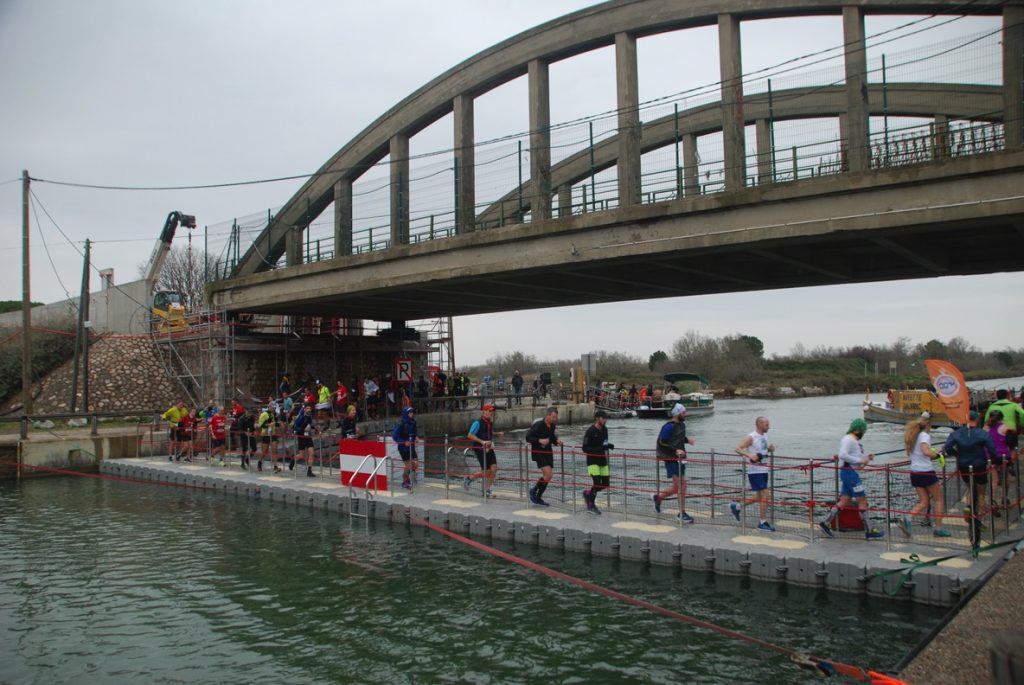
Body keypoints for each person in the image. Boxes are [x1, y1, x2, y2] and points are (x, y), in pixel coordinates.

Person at [818, 419, 884, 540]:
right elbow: (843, 455)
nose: (863, 433)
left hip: (849, 473)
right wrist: (861, 460)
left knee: (844, 501)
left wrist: (866, 458)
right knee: (862, 500)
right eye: (863, 430)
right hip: (850, 474)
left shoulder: (853, 441)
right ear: (858, 429)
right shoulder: (849, 439)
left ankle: (825, 523)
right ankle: (869, 530)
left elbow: (856, 460)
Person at [945, 410, 998, 548]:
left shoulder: (956, 433)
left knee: (969, 487)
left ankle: (969, 507)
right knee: (981, 492)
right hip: (979, 465)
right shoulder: (982, 433)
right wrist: (992, 459)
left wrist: (957, 454)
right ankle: (978, 519)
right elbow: (992, 450)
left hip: (964, 465)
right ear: (978, 418)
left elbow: (947, 447)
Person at [901, 415, 950, 537]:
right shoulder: (924, 436)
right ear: (927, 426)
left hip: (915, 472)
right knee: (938, 499)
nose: (931, 430)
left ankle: (908, 517)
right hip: (926, 472)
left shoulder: (913, 436)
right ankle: (938, 528)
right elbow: (925, 451)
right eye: (931, 427)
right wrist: (937, 454)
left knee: (924, 501)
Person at [729, 416, 776, 531]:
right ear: (759, 424)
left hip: (764, 469)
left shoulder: (764, 435)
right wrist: (750, 456)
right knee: (765, 495)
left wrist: (769, 449)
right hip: (755, 471)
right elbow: (737, 448)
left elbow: (761, 451)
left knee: (759, 496)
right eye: (766, 425)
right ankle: (762, 522)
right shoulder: (751, 437)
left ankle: (737, 506)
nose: (768, 427)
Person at [652, 404, 695, 523]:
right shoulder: (668, 427)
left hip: (680, 458)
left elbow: (678, 437)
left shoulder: (682, 425)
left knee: (677, 487)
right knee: (682, 485)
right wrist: (675, 450)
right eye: (684, 413)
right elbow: (661, 442)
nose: (686, 415)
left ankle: (658, 497)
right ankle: (681, 514)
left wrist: (688, 440)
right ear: (677, 414)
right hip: (671, 459)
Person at [464, 404, 503, 498]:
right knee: (486, 472)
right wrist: (482, 442)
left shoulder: (489, 422)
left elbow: (487, 432)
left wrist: (496, 434)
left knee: (494, 469)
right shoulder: (477, 423)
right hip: (480, 449)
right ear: (484, 412)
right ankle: (469, 478)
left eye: (492, 411)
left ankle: (487, 490)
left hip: (489, 448)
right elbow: (469, 435)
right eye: (489, 411)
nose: (491, 413)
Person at [526, 406, 563, 506]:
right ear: (547, 416)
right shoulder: (538, 425)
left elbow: (551, 437)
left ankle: (538, 497)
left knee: (549, 476)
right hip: (538, 452)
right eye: (553, 417)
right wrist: (539, 440)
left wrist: (556, 442)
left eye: (556, 417)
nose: (555, 419)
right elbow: (528, 437)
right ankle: (533, 492)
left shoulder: (552, 425)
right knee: (548, 475)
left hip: (548, 452)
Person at [581, 409, 614, 515]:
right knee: (596, 483)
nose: (605, 420)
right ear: (597, 418)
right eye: (603, 418)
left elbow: (605, 443)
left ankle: (588, 494)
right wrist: (599, 448)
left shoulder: (605, 430)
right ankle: (591, 505)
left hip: (602, 459)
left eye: (606, 418)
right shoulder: (590, 431)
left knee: (605, 484)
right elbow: (585, 448)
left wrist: (608, 445)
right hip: (592, 461)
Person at [985, 410, 1011, 515]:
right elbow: (1010, 442)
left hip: (990, 456)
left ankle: (993, 501)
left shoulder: (985, 428)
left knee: (994, 481)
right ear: (1002, 418)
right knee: (1005, 478)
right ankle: (1004, 498)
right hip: (1003, 456)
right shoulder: (1005, 427)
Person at [985, 389, 1024, 454]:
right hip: (1011, 429)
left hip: (997, 431)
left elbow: (986, 419)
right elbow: (1022, 413)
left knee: (999, 447)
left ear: (997, 396)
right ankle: (1013, 462)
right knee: (1013, 448)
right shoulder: (1013, 405)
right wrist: (1021, 423)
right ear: (1007, 396)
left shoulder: (992, 406)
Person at [392, 406, 420, 490]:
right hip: (403, 447)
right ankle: (405, 481)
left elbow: (414, 433)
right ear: (406, 414)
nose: (411, 414)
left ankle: (409, 478)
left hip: (411, 446)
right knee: (409, 464)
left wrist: (416, 437)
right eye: (410, 413)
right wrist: (404, 442)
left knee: (415, 464)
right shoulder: (401, 423)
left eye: (412, 412)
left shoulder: (413, 422)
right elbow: (394, 436)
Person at [292, 402, 317, 478]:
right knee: (301, 455)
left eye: (310, 408)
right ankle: (293, 460)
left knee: (311, 453)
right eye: (307, 408)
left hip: (308, 437)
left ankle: (309, 471)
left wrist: (314, 428)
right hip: (301, 436)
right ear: (304, 409)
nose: (309, 410)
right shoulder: (300, 417)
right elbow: (295, 428)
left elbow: (310, 425)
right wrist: (303, 430)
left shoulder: (310, 416)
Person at [256, 402, 278, 472]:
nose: (274, 409)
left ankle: (275, 466)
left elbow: (274, 423)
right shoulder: (264, 414)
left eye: (274, 407)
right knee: (265, 451)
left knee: (274, 449)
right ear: (269, 407)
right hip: (265, 434)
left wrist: (278, 424)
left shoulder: (273, 414)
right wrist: (269, 425)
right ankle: (259, 462)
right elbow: (260, 425)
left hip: (273, 434)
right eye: (272, 407)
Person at [235, 405, 257, 470]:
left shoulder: (252, 417)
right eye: (248, 412)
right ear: (246, 411)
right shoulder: (242, 418)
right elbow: (239, 428)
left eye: (251, 412)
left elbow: (252, 426)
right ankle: (242, 463)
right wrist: (245, 432)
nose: (250, 413)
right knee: (244, 449)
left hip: (250, 434)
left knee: (254, 448)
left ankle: (247, 459)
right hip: (243, 435)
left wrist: (254, 431)